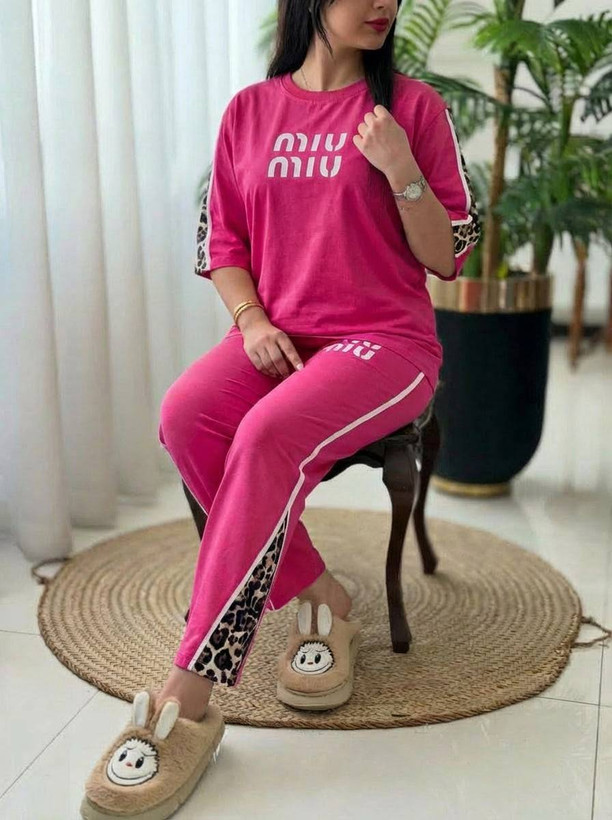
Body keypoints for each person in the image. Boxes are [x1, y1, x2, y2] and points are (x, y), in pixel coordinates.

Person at [82, 1, 481, 816]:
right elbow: (224, 243)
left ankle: (186, 697)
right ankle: (324, 596)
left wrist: (400, 167)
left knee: (266, 434)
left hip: (386, 344)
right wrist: (253, 321)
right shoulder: (250, 111)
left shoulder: (412, 108)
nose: (384, 4)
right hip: (280, 335)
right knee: (187, 415)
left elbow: (446, 256)